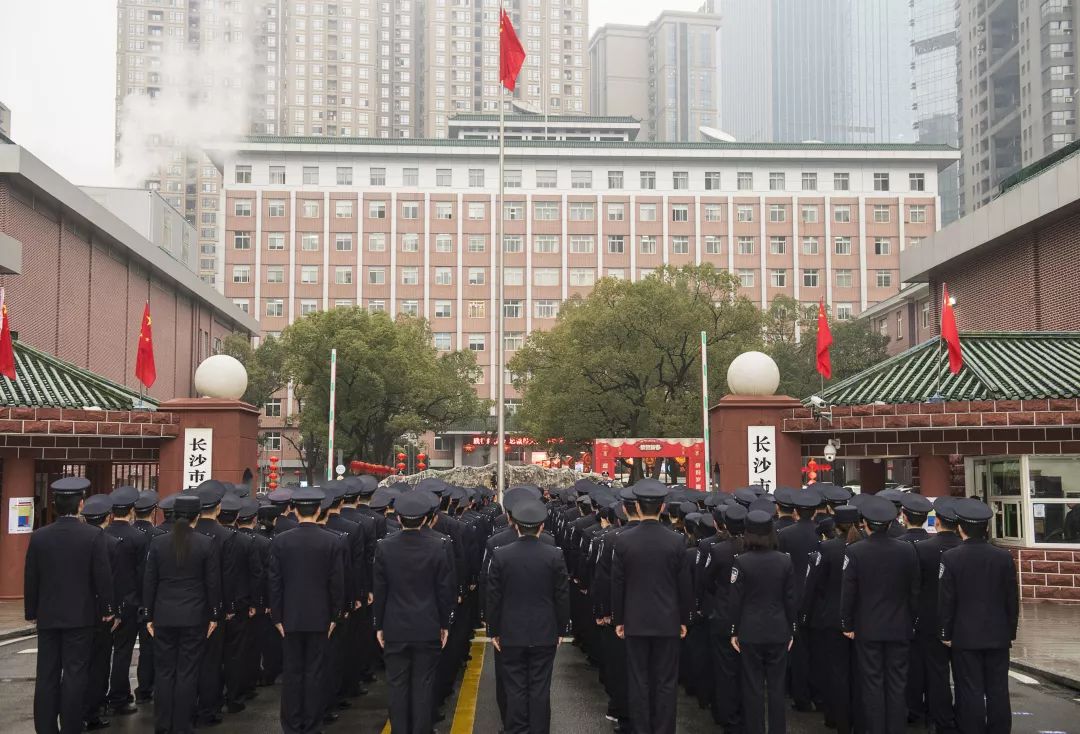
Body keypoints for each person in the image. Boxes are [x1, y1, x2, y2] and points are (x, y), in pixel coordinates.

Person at [24, 477, 114, 734]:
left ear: (54, 504)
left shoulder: (40, 536)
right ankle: (72, 727)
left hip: (48, 615)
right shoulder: (93, 535)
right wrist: (107, 609)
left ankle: (45, 727)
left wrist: (31, 611)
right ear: (81, 505)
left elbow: (31, 575)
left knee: (47, 674)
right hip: (81, 616)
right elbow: (102, 577)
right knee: (75, 674)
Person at [612, 479, 692, 734]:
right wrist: (684, 619)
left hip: (635, 620)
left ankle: (640, 729)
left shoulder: (623, 541)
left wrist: (619, 619)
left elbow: (618, 585)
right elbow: (684, 585)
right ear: (663, 507)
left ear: (636, 506)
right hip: (668, 620)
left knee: (639, 681)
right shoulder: (676, 541)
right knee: (666, 682)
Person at [373, 490, 456, 734]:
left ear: (398, 518)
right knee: (423, 686)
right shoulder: (438, 546)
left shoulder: (384, 547)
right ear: (426, 519)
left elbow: (380, 590)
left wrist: (379, 625)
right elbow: (444, 591)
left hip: (395, 625)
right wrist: (445, 625)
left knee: (397, 686)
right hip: (427, 625)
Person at [486, 499, 570, 734]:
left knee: (515, 688)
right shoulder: (554, 554)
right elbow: (561, 595)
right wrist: (562, 629)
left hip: (511, 631)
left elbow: (494, 596)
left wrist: (493, 630)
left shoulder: (501, 555)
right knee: (540, 688)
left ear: (515, 525)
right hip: (544, 630)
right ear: (541, 526)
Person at [840, 494, 920, 734]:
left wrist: (847, 623)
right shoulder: (907, 550)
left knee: (872, 682)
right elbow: (914, 590)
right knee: (897, 683)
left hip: (867, 627)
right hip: (900, 625)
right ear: (891, 522)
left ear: (864, 523)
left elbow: (849, 591)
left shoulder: (855, 551)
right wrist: (912, 619)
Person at [142, 494, 221, 734]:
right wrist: (214, 615)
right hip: (194, 615)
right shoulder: (206, 543)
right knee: (188, 672)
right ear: (197, 516)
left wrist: (148, 615)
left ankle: (163, 725)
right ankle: (183, 726)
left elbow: (149, 581)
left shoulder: (158, 542)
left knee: (164, 672)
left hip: (164, 614)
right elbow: (212, 584)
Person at [269, 486, 345, 734]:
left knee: (292, 673)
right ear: (319, 510)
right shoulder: (332, 541)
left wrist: (277, 616)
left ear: (295, 511)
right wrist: (335, 616)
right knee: (315, 672)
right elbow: (337, 582)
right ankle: (312, 725)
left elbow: (275, 581)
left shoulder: (281, 541)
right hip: (320, 616)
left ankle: (291, 725)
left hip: (290, 616)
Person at [939, 498, 1019, 734]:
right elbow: (1011, 599)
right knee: (998, 689)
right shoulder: (1003, 557)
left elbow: (947, 599)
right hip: (997, 633)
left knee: (969, 688)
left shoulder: (951, 557)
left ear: (960, 528)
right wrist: (1010, 631)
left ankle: (971, 728)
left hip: (965, 635)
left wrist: (945, 631)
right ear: (985, 528)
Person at [729, 510, 797, 734]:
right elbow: (790, 598)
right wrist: (792, 629)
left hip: (750, 630)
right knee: (777, 688)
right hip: (778, 629)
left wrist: (734, 630)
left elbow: (735, 600)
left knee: (752, 688)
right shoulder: (785, 561)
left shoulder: (741, 562)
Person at [803, 504, 863, 734]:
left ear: (835, 525)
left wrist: (805, 612)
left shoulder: (826, 549)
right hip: (859, 617)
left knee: (836, 671)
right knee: (858, 671)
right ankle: (859, 717)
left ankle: (839, 719)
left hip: (830, 616)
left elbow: (813, 583)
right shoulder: (862, 546)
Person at [908, 496, 962, 732]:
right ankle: (963, 716)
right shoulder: (963, 548)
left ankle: (938, 716)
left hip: (929, 617)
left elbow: (914, 587)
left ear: (937, 521)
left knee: (935, 670)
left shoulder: (922, 549)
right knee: (964, 674)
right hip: (963, 618)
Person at [776, 486, 823, 713]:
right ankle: (818, 694)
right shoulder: (821, 533)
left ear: (795, 511)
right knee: (818, 648)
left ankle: (800, 695)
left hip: (793, 595)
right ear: (815, 512)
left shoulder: (785, 535)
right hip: (819, 597)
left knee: (797, 649)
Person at [104, 485, 149, 716]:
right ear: (132, 510)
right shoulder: (138, 538)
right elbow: (142, 574)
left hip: (102, 604)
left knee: (100, 654)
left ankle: (97, 697)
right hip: (130, 602)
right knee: (123, 652)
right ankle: (119, 696)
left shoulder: (101, 534)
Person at [80, 493, 121, 731]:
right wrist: (112, 610)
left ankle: (73, 711)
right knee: (98, 665)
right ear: (108, 517)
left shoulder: (75, 540)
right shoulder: (111, 543)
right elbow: (113, 582)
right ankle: (92, 712)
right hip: (101, 614)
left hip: (78, 612)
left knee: (76, 666)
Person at [132, 490, 167, 705]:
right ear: (153, 512)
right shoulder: (157, 537)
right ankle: (150, 687)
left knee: (125, 651)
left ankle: (142, 689)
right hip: (149, 601)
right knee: (151, 647)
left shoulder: (121, 534)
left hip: (127, 599)